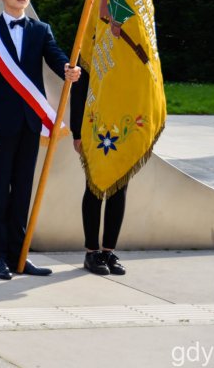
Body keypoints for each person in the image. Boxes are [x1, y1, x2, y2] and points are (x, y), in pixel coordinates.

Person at [0, 0, 81, 280]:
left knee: (22, 192)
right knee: (0, 191)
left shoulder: (40, 29)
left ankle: (20, 256)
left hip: (32, 125)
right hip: (1, 127)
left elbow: (56, 57)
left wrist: (68, 70)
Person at [70, 68, 128, 276]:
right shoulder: (92, 43)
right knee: (94, 187)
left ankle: (109, 252)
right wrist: (76, 132)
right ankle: (92, 252)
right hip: (95, 126)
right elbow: (79, 89)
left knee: (119, 189)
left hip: (124, 124)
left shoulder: (128, 47)